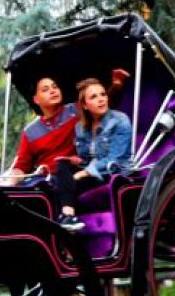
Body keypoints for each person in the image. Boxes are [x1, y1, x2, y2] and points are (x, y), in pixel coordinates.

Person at [0, 69, 129, 231]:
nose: (53, 91)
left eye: (55, 87)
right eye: (46, 89)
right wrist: (8, 183)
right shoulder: (30, 132)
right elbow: (21, 166)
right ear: (36, 99)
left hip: (78, 171)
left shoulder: (76, 111)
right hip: (48, 180)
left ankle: (67, 217)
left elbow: (101, 106)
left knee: (62, 166)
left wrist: (116, 86)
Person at [51, 77, 133, 229]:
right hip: (92, 172)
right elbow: (86, 158)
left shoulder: (120, 121)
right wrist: (77, 161)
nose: (101, 99)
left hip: (112, 172)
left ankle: (67, 217)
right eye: (94, 97)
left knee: (66, 183)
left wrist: (82, 173)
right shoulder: (80, 127)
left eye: (103, 94)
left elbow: (114, 159)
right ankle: (68, 217)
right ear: (85, 105)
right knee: (61, 166)